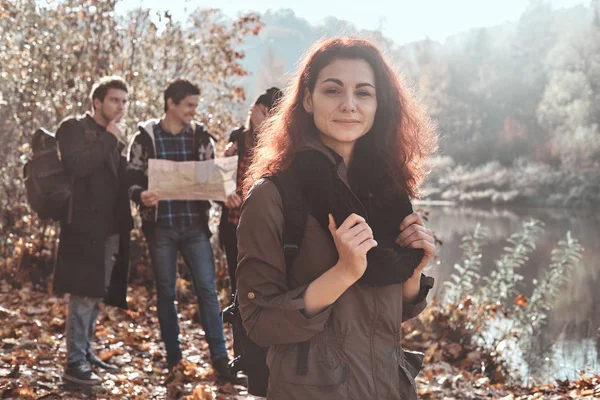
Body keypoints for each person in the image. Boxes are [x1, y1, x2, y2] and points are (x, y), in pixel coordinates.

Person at [236, 37, 438, 399]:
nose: (349, 105)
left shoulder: (389, 192)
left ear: (379, 105)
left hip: (388, 387)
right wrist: (343, 273)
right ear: (308, 100)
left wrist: (413, 269)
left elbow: (384, 314)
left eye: (363, 93)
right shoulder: (274, 195)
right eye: (333, 90)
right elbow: (258, 323)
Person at [125, 78, 239, 383]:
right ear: (171, 104)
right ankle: (174, 360)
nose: (193, 111)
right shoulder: (145, 138)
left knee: (207, 291)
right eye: (188, 105)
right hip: (160, 227)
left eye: (194, 105)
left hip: (194, 226)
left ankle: (221, 361)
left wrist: (225, 194)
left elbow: (211, 181)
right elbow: (131, 178)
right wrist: (140, 195)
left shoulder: (201, 138)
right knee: (166, 293)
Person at [53, 76, 134, 386]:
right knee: (83, 294)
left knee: (96, 293)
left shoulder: (112, 136)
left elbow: (118, 179)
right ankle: (74, 364)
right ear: (96, 102)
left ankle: (85, 352)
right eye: (114, 100)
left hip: (111, 229)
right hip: (83, 228)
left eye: (124, 102)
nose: (120, 107)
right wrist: (111, 138)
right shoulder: (73, 127)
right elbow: (77, 165)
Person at [219, 87, 283, 368]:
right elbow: (219, 176)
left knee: (262, 291)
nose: (261, 117)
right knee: (238, 293)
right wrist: (224, 191)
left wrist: (264, 133)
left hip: (262, 229)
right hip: (232, 226)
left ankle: (262, 357)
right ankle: (241, 356)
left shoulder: (278, 145)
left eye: (270, 114)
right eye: (259, 111)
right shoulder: (236, 139)